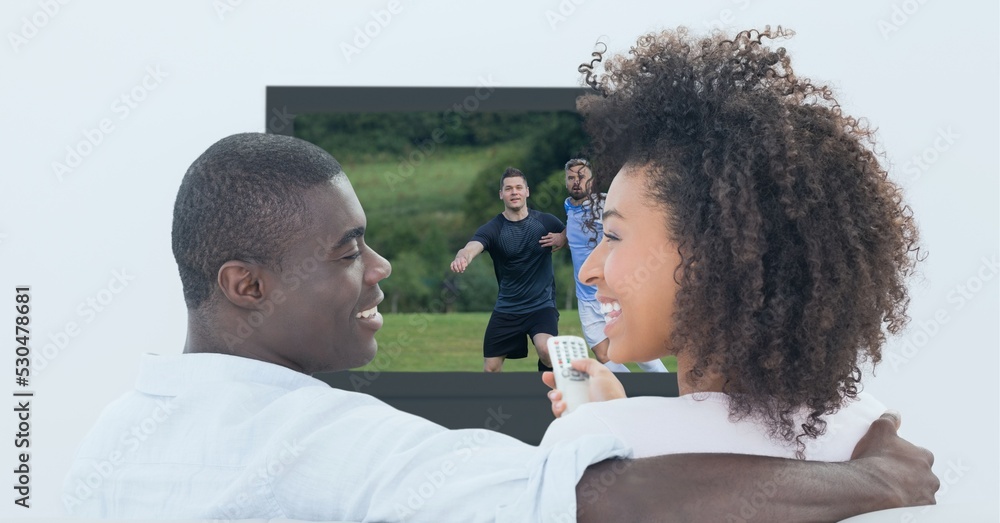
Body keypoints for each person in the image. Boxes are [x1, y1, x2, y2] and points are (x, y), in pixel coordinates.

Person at [63, 133, 938, 522]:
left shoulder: (103, 443)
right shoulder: (336, 445)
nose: (380, 269)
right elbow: (602, 504)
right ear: (244, 285)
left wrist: (602, 422)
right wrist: (881, 478)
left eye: (615, 236)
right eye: (349, 251)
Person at [542, 27, 925, 462]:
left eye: (612, 237)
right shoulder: (872, 433)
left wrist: (600, 429)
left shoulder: (596, 440)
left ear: (708, 258)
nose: (589, 270)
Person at [450, 167, 566, 372]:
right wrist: (463, 257)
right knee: (491, 368)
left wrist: (562, 237)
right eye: (509, 188)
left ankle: (550, 392)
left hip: (541, 306)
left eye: (519, 187)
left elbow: (574, 231)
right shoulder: (493, 229)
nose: (514, 192)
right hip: (508, 308)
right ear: (501, 194)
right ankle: (498, 401)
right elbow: (471, 247)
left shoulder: (545, 222)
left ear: (527, 191)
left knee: (547, 351)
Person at [561, 158, 668, 374]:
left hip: (616, 292)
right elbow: (576, 227)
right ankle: (628, 398)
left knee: (640, 351)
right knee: (603, 354)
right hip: (586, 298)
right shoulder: (568, 206)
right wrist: (561, 236)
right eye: (571, 178)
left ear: (592, 180)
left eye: (581, 177)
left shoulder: (607, 204)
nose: (576, 182)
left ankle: (665, 386)